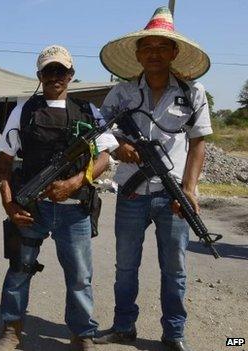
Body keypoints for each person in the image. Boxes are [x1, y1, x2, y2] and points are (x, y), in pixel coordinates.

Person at [95, 7, 212, 351]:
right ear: (138, 53)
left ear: (174, 52)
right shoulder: (122, 93)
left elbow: (198, 143)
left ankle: (174, 335)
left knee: (174, 270)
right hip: (132, 193)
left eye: (162, 47)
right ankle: (122, 327)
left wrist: (189, 190)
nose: (155, 54)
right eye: (148, 47)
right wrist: (119, 148)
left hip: (172, 196)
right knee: (126, 267)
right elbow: (101, 133)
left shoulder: (193, 93)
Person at [0, 45, 118, 351]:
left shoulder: (88, 112)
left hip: (75, 210)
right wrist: (9, 204)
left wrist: (76, 182)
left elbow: (105, 157)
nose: (55, 76)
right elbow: (4, 164)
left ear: (71, 75)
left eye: (61, 71)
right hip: (32, 209)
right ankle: (11, 330)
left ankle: (82, 334)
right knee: (19, 270)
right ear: (40, 75)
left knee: (79, 277)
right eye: (49, 71)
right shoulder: (23, 111)